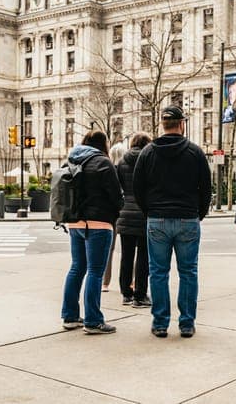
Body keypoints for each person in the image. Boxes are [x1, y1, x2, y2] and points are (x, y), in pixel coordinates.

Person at [133, 105, 212, 338]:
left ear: (163, 125)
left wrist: (149, 211)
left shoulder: (148, 152)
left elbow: (137, 188)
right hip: (188, 218)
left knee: (158, 273)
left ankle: (160, 322)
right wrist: (199, 213)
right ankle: (186, 323)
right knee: (188, 272)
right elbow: (206, 188)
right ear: (182, 124)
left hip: (157, 218)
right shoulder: (195, 153)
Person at [60, 130, 123, 334]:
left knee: (77, 268)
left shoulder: (70, 161)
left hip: (75, 223)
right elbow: (116, 194)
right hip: (99, 223)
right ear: (102, 144)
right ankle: (93, 320)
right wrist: (115, 211)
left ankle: (70, 316)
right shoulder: (103, 163)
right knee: (95, 271)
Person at [116, 132, 153, 308]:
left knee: (126, 256)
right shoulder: (149, 160)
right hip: (144, 214)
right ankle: (140, 294)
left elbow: (119, 187)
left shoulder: (122, 162)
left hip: (125, 213)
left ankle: (126, 293)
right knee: (144, 257)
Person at [102, 140, 128, 292]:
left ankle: (105, 282)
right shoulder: (129, 168)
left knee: (108, 249)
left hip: (111, 212)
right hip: (127, 211)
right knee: (128, 250)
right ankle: (129, 282)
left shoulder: (108, 168)